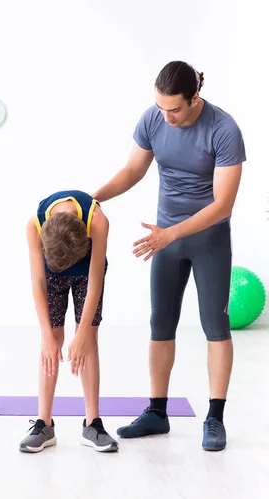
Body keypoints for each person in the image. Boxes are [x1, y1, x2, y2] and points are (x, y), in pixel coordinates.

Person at [93, 61, 246, 451]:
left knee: (215, 324)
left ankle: (214, 418)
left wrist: (171, 234)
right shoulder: (154, 119)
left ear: (195, 98)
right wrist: (91, 199)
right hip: (165, 238)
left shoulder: (223, 129)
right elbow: (132, 170)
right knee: (160, 322)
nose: (166, 116)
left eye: (174, 109)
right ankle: (157, 413)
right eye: (160, 108)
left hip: (206, 238)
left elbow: (223, 204)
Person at [20, 190, 118, 453]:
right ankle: (44, 423)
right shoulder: (34, 225)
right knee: (51, 340)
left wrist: (82, 333)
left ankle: (92, 424)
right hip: (51, 275)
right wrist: (47, 336)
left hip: (87, 274)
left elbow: (95, 281)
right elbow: (38, 283)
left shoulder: (97, 221)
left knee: (88, 340)